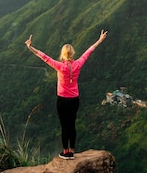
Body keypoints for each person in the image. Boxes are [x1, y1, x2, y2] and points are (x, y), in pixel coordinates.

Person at [25, 29, 108, 160]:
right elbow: (89, 51)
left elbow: (44, 57)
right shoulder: (78, 64)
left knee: (64, 126)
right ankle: (72, 151)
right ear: (73, 53)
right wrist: (100, 40)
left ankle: (65, 152)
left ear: (63, 54)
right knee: (72, 124)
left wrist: (31, 47)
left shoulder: (59, 66)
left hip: (62, 100)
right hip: (75, 99)